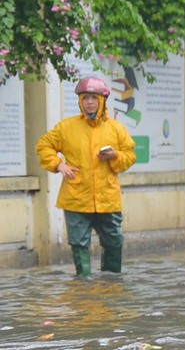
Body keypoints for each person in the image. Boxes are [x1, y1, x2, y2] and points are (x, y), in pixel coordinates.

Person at [37, 76, 136, 276]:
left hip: (108, 198)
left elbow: (130, 155)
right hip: (76, 197)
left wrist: (115, 155)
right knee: (79, 243)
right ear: (80, 102)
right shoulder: (66, 127)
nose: (89, 102)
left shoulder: (116, 128)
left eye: (93, 98)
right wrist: (59, 164)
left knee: (114, 241)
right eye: (85, 98)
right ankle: (84, 286)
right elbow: (44, 146)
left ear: (102, 100)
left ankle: (111, 286)